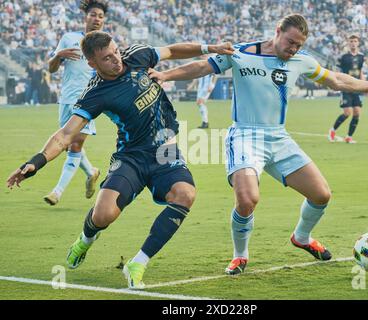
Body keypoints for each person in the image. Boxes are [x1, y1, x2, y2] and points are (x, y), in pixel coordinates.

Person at [149, 14, 368, 275]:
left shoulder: (301, 61)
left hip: (278, 137)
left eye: (299, 45)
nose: (293, 49)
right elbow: (201, 67)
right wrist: (166, 75)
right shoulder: (239, 52)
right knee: (247, 198)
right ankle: (240, 256)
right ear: (277, 31)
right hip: (244, 136)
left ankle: (302, 237)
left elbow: (336, 79)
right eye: (290, 42)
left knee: (321, 195)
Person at [7, 30, 234, 289]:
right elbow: (65, 135)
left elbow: (171, 50)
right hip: (131, 157)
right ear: (91, 63)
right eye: (107, 58)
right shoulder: (95, 93)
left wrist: (210, 46)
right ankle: (85, 239)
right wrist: (35, 162)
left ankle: (138, 262)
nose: (117, 60)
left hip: (165, 148)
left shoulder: (136, 55)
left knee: (185, 194)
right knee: (103, 215)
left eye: (116, 51)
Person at [44, 0, 107, 205]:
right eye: (93, 15)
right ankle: (91, 171)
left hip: (89, 101)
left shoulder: (105, 44)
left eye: (100, 16)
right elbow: (52, 69)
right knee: (67, 143)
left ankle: (57, 192)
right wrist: (58, 55)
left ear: (103, 20)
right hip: (67, 99)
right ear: (86, 17)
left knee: (75, 144)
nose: (96, 19)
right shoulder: (69, 38)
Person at [328, 34, 365, 144]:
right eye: (351, 41)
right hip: (346, 86)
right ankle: (332, 130)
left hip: (357, 87)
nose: (353, 43)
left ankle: (349, 137)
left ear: (358, 43)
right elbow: (338, 72)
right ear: (348, 43)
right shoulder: (344, 57)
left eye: (355, 41)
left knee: (357, 113)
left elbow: (361, 71)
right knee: (347, 112)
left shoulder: (361, 57)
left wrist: (363, 85)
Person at [187, 57, 217, 128]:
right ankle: (204, 122)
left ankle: (205, 122)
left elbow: (215, 76)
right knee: (199, 103)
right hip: (201, 87)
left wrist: (212, 85)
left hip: (206, 87)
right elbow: (197, 77)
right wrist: (192, 85)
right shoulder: (200, 65)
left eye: (204, 55)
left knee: (200, 102)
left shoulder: (210, 64)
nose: (202, 56)